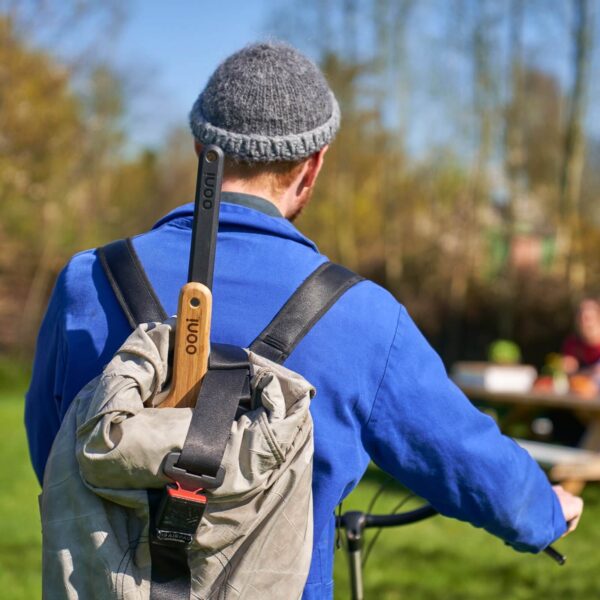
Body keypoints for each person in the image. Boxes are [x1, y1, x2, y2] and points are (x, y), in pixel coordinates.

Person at [26, 42, 582, 599]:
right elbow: (463, 457)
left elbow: (51, 447)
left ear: (201, 150)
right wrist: (544, 510)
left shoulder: (88, 280)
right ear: (313, 165)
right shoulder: (362, 315)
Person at [562, 298, 600, 376]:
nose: (585, 324)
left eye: (588, 318)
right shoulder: (573, 343)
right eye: (581, 318)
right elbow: (568, 369)